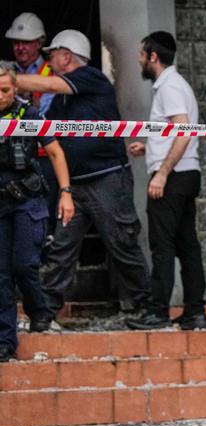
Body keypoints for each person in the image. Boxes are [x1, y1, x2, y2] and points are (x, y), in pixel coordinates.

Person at [16, 30, 151, 325]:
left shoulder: (90, 77)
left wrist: (9, 80)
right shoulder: (65, 99)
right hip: (75, 185)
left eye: (53, 54)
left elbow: (48, 82)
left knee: (122, 243)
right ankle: (45, 312)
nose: (49, 60)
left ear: (67, 56)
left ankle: (144, 308)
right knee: (62, 249)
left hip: (106, 179)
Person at [125, 31, 206, 330]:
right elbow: (176, 131)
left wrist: (161, 172)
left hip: (173, 177)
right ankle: (195, 312)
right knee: (187, 245)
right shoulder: (174, 84)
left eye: (141, 54)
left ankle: (157, 312)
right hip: (186, 174)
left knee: (163, 246)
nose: (138, 59)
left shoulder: (169, 87)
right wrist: (150, 147)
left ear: (153, 56)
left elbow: (183, 131)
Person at [0, 61, 74, 360]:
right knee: (1, 274)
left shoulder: (28, 114)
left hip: (27, 201)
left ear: (15, 89)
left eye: (4, 90)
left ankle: (39, 311)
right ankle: (5, 340)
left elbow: (55, 152)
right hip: (1, 205)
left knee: (23, 264)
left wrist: (66, 194)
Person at [5, 12, 59, 241]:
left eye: (26, 42)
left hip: (42, 155)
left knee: (40, 216)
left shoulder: (51, 72)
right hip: (11, 155)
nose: (20, 47)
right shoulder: (5, 71)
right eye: (16, 42)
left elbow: (46, 115)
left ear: (40, 43)